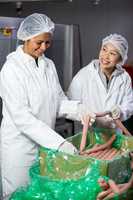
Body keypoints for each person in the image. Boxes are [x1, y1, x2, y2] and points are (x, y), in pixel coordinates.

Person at [0, 13, 95, 199]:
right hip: (20, 149)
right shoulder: (11, 69)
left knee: (40, 193)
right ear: (27, 38)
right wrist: (59, 143)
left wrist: (79, 109)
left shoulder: (48, 65)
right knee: (19, 193)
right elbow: (22, 118)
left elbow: (57, 101)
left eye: (48, 43)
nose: (43, 48)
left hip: (46, 146)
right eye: (39, 42)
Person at [68, 33, 133, 130]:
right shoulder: (83, 75)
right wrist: (87, 116)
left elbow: (129, 104)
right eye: (104, 49)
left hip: (114, 134)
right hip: (88, 135)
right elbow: (71, 105)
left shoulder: (124, 77)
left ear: (120, 58)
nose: (105, 56)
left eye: (112, 53)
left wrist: (121, 112)